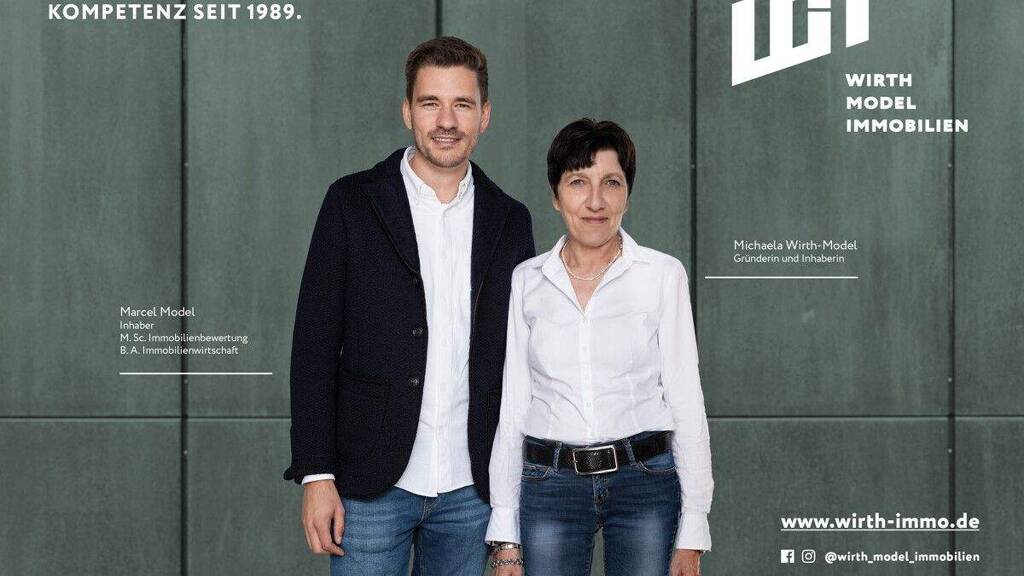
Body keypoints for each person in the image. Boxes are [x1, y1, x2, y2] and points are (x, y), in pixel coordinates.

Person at [283, 36, 535, 576]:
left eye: (462, 104)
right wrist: (316, 474)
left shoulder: (510, 220)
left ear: (485, 115)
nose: (446, 121)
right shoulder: (351, 202)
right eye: (430, 103)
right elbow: (313, 344)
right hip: (368, 483)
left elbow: (521, 363)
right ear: (407, 112)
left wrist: (511, 506)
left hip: (473, 489)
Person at [484, 119, 713, 576]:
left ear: (627, 193)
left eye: (611, 182)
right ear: (556, 195)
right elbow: (513, 405)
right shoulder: (527, 280)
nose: (595, 201)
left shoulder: (662, 275)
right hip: (550, 484)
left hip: (645, 483)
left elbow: (686, 399)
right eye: (578, 182)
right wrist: (505, 531)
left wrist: (694, 525)